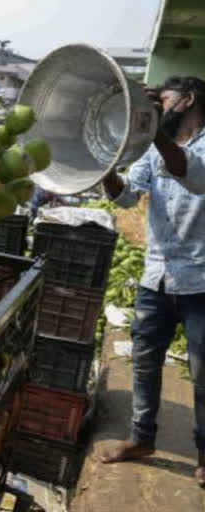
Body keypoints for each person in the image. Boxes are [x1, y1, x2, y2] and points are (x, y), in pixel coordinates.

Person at [100, 76, 205, 487]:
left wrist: (156, 129)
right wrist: (105, 166)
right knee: (145, 363)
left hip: (200, 282)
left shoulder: (187, 146)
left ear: (188, 100)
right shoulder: (151, 148)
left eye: (163, 100)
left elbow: (190, 173)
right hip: (157, 277)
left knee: (203, 374)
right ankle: (141, 439)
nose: (157, 106)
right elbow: (126, 195)